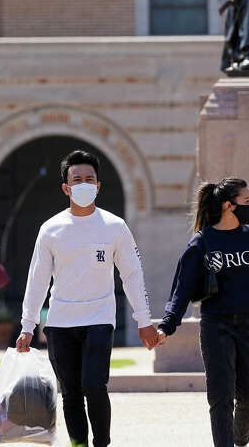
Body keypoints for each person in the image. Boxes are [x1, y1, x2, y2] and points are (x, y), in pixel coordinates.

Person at [16, 149, 159, 447]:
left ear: (98, 185)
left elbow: (132, 274)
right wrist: (28, 325)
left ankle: (102, 443)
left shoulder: (115, 227)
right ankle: (78, 444)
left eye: (89, 179)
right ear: (66, 188)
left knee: (94, 386)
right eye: (77, 179)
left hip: (99, 319)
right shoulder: (50, 229)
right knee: (70, 394)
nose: (84, 184)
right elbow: (38, 278)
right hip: (60, 323)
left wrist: (144, 320)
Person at [155, 178, 249, 447]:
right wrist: (167, 325)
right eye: (246, 201)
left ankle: (239, 439)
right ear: (228, 205)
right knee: (220, 395)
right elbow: (182, 288)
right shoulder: (201, 243)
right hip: (216, 325)